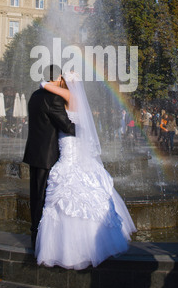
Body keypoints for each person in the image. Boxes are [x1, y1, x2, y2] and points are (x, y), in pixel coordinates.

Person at [35, 71, 136, 270]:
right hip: (73, 142)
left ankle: (72, 249)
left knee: (67, 178)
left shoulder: (70, 96)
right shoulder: (77, 99)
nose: (59, 82)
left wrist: (52, 81)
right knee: (78, 180)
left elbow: (42, 84)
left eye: (62, 79)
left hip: (69, 143)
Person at [23, 65, 76, 249]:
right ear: (60, 77)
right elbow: (66, 126)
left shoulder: (35, 95)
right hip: (48, 155)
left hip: (34, 152)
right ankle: (40, 237)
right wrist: (84, 130)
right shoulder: (54, 98)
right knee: (44, 196)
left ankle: (35, 232)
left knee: (35, 193)